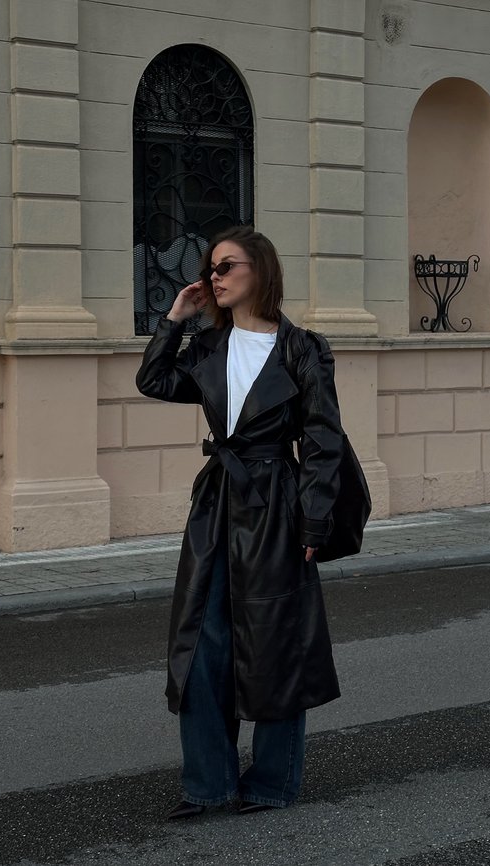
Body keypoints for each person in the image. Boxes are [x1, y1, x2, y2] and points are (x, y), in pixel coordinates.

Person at [135, 225, 344, 819]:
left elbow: (323, 440)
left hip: (277, 501)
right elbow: (152, 380)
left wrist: (315, 523)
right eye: (211, 268)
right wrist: (174, 318)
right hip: (218, 502)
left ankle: (272, 782)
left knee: (276, 643)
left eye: (227, 266)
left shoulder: (303, 348)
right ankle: (208, 783)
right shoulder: (205, 347)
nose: (214, 277)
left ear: (261, 269)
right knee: (199, 642)